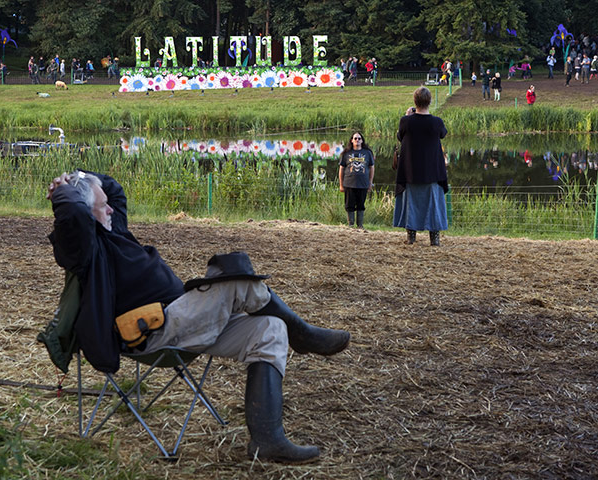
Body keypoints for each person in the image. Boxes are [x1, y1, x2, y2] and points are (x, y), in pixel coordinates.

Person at [46, 170, 350, 463]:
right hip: (153, 330)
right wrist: (64, 189)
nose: (111, 208)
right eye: (102, 206)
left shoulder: (116, 229)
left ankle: (267, 440)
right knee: (237, 279)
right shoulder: (85, 249)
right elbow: (72, 212)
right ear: (87, 213)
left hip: (183, 320)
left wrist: (81, 176)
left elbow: (114, 190)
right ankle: (305, 335)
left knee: (270, 329)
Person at [393, 87, 448, 246]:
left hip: (410, 171)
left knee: (411, 204)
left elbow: (400, 136)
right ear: (429, 101)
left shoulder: (406, 121)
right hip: (432, 171)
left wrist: (407, 116)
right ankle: (434, 238)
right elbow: (443, 134)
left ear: (414, 102)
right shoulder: (436, 122)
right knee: (433, 205)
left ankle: (411, 237)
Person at [338, 132, 375, 228]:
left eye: (359, 138)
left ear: (362, 140)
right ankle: (350, 224)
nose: (357, 140)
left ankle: (360, 225)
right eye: (355, 138)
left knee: (361, 205)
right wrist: (341, 185)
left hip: (363, 184)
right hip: (349, 184)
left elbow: (371, 167)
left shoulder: (368, 153)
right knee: (349, 205)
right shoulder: (346, 153)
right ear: (351, 140)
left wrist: (370, 182)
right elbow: (341, 169)